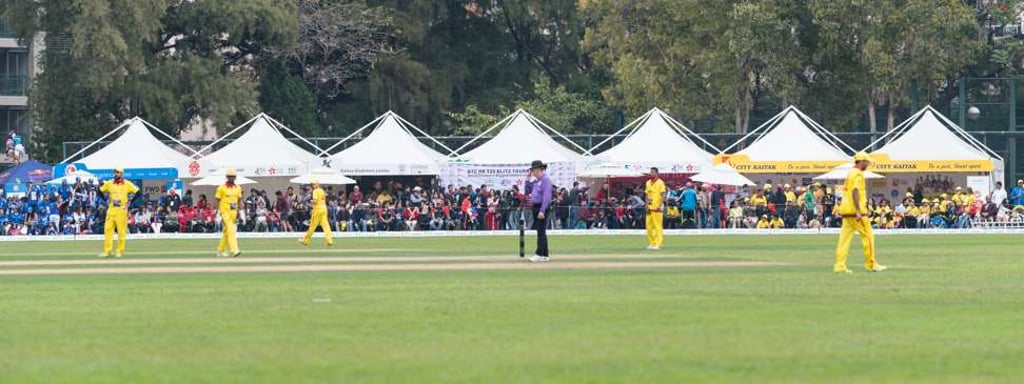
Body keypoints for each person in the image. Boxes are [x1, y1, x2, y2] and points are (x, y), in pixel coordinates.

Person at [834, 152, 887, 274]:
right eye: (867, 162)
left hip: (846, 210)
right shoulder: (858, 174)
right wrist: (858, 210)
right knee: (868, 236)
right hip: (856, 212)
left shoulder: (850, 173)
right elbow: (855, 191)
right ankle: (871, 264)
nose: (868, 164)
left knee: (844, 240)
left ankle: (839, 266)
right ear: (861, 161)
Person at [98, 168, 139, 258]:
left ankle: (120, 251)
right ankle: (107, 251)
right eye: (115, 172)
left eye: (117, 172)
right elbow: (100, 191)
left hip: (121, 210)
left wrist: (130, 202)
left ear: (121, 174)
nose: (115, 174)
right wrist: (105, 200)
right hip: (111, 209)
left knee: (121, 231)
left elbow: (138, 192)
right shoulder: (109, 183)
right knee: (108, 230)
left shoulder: (127, 184)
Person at [524, 160, 553, 262]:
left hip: (541, 207)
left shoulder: (546, 180)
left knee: (540, 231)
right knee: (541, 231)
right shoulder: (537, 181)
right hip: (536, 206)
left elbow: (547, 196)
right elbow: (528, 191)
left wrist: (542, 210)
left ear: (539, 170)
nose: (532, 172)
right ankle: (545, 254)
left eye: (533, 170)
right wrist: (527, 180)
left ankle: (539, 253)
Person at [215, 168, 243, 257]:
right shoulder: (221, 188)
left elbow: (239, 200)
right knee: (231, 229)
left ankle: (220, 250)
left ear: (235, 177)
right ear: (226, 177)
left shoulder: (238, 188)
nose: (231, 178)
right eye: (229, 176)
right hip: (224, 211)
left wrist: (240, 212)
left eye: (233, 176)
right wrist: (217, 212)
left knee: (227, 232)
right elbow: (217, 200)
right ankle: (234, 250)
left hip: (234, 212)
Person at [299, 179, 334, 245]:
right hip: (324, 209)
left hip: (317, 210)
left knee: (312, 226)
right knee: (326, 226)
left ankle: (305, 240)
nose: (312, 186)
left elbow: (315, 201)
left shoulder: (315, 191)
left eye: (313, 184)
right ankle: (329, 241)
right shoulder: (322, 191)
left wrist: (311, 201)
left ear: (316, 184)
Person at [644, 167, 666, 250]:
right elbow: (647, 195)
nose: (651, 173)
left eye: (652, 172)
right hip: (650, 208)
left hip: (657, 209)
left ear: (657, 173)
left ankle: (658, 243)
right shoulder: (648, 183)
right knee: (648, 227)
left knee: (657, 227)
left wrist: (659, 205)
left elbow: (663, 195)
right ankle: (652, 242)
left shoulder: (660, 183)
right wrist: (646, 206)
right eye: (650, 172)